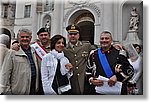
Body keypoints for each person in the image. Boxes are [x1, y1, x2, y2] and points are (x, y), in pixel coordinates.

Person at [0, 28, 40, 95]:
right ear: (18, 38)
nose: (25, 39)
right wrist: (7, 92)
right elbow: (5, 75)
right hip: (18, 91)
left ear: (30, 38)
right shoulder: (12, 52)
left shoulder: (33, 51)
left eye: (27, 37)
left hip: (32, 90)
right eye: (22, 37)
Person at [63, 24, 93, 94]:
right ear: (68, 36)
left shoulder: (86, 45)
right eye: (70, 34)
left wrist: (113, 45)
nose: (73, 36)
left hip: (83, 79)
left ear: (78, 35)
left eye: (75, 34)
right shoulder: (64, 49)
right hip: (71, 80)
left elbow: (99, 50)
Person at [31, 27, 51, 94]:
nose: (43, 37)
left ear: (49, 36)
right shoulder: (33, 47)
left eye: (45, 35)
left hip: (51, 77)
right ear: (38, 37)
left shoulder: (54, 47)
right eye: (41, 35)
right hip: (38, 78)